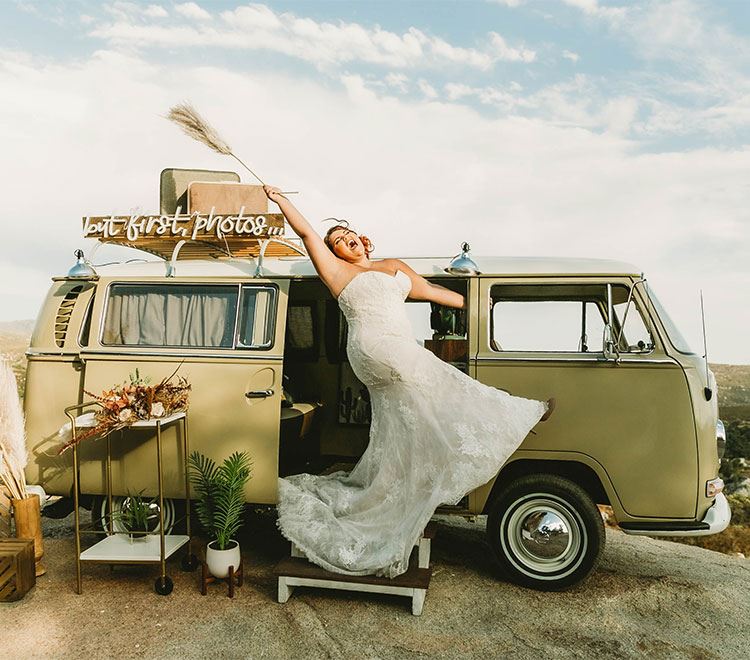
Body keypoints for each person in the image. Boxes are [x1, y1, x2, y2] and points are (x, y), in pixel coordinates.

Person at [264, 185, 554, 578]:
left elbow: (435, 293)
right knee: (439, 377)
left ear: (360, 238)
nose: (343, 242)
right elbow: (306, 234)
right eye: (336, 243)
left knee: (400, 426)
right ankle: (514, 412)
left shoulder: (393, 266)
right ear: (334, 253)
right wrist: (281, 200)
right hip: (374, 348)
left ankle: (390, 490)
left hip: (393, 351)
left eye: (346, 235)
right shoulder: (338, 273)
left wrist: (480, 300)